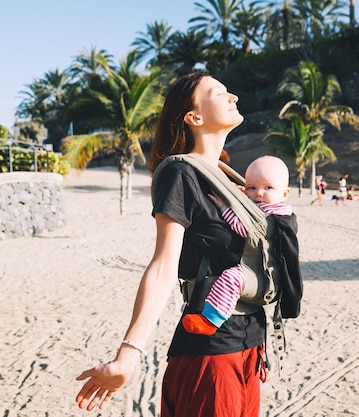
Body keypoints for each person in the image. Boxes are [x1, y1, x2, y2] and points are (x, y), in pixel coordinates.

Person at [74, 73, 267, 416]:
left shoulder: (229, 178)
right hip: (211, 357)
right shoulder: (180, 175)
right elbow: (163, 266)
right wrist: (128, 354)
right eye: (219, 93)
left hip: (249, 347)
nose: (233, 96)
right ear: (194, 117)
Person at [182, 155, 293, 336]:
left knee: (231, 278)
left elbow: (243, 227)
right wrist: (241, 197)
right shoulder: (270, 206)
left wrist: (225, 205)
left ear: (285, 194)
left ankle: (211, 320)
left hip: (262, 276)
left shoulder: (274, 213)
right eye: (252, 187)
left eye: (268, 188)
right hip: (258, 269)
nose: (258, 193)